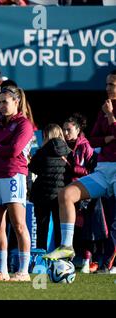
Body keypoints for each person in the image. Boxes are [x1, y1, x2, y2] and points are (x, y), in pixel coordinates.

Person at [43, 71, 116, 272]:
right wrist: (109, 133)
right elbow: (94, 140)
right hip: (103, 170)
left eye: (113, 84)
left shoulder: (108, 111)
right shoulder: (104, 109)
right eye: (108, 84)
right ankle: (67, 247)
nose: (109, 88)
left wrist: (111, 117)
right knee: (65, 194)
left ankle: (107, 264)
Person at [0, 85, 35, 281]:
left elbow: (14, 150)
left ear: (16, 102)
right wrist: (1, 147)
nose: (2, 105)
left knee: (19, 224)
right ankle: (2, 271)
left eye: (6, 102)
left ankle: (23, 271)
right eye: (0, 102)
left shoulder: (24, 124)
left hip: (13, 175)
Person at [62, 114, 96, 273]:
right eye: (64, 130)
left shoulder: (85, 146)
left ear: (78, 129)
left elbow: (90, 171)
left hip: (84, 192)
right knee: (70, 227)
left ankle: (86, 262)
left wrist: (68, 164)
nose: (66, 133)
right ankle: (69, 260)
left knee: (84, 228)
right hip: (69, 191)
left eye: (69, 130)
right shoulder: (65, 144)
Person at [29, 124, 71, 250]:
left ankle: (41, 257)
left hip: (42, 193)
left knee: (42, 228)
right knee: (60, 227)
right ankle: (59, 257)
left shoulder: (42, 152)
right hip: (61, 194)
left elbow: (32, 167)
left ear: (47, 135)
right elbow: (71, 171)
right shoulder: (68, 151)